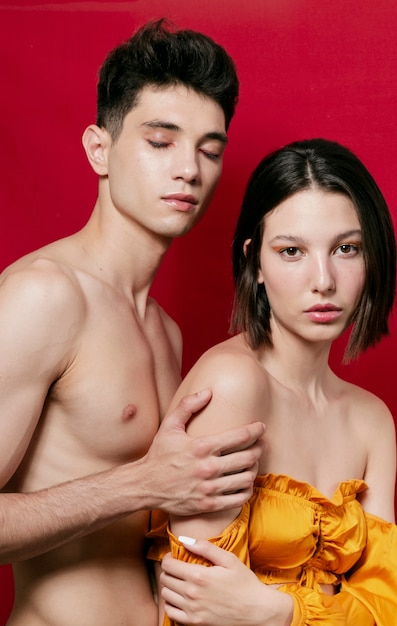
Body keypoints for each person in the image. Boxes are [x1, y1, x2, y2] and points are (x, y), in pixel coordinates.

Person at [0, 19, 266, 626]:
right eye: (160, 141)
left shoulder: (165, 331)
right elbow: (153, 485)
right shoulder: (45, 296)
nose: (190, 170)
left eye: (209, 149)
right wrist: (143, 484)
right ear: (100, 149)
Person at [155, 138, 397, 625]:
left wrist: (278, 612)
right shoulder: (233, 385)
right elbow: (193, 605)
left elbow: (393, 610)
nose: (324, 280)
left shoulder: (371, 419)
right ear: (255, 262)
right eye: (292, 250)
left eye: (346, 248)